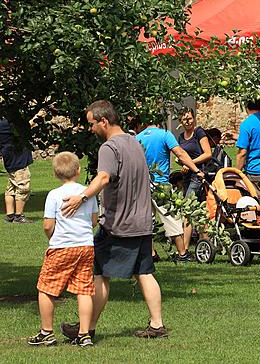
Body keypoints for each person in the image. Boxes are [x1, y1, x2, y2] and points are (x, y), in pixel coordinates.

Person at [59, 100, 169, 340]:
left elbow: (104, 177)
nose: (90, 129)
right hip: (142, 222)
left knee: (100, 273)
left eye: (92, 124)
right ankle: (157, 324)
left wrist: (81, 197)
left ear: (104, 121)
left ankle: (85, 329)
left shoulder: (109, 148)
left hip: (119, 226)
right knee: (144, 272)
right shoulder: (134, 142)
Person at [28, 152, 98, 347]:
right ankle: (84, 334)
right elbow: (94, 220)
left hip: (62, 247)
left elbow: (47, 225)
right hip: (85, 246)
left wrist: (52, 237)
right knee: (84, 289)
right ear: (78, 170)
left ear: (55, 174)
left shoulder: (54, 195)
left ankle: (46, 332)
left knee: (46, 288)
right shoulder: (87, 192)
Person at [136, 116, 204, 262]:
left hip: (142, 185)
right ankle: (182, 254)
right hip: (161, 185)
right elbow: (180, 153)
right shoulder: (165, 134)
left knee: (148, 221)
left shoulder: (138, 137)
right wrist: (196, 170)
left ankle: (152, 254)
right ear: (159, 122)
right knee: (172, 218)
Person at [236, 99, 260, 203]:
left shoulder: (246, 124)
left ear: (246, 106)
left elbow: (242, 153)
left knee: (256, 204)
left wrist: (237, 172)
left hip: (254, 170)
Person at [1, 118, 33, 223]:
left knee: (11, 186)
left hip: (9, 158)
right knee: (23, 186)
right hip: (17, 158)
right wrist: (38, 116)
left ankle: (10, 215)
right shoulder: (7, 122)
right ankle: (19, 216)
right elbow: (25, 126)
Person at [177, 109, 211, 199]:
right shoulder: (181, 137)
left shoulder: (198, 132)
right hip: (186, 176)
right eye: (184, 120)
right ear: (180, 121)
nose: (187, 122)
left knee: (187, 204)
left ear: (194, 118)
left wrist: (189, 163)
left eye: (190, 118)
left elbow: (208, 154)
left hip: (197, 175)